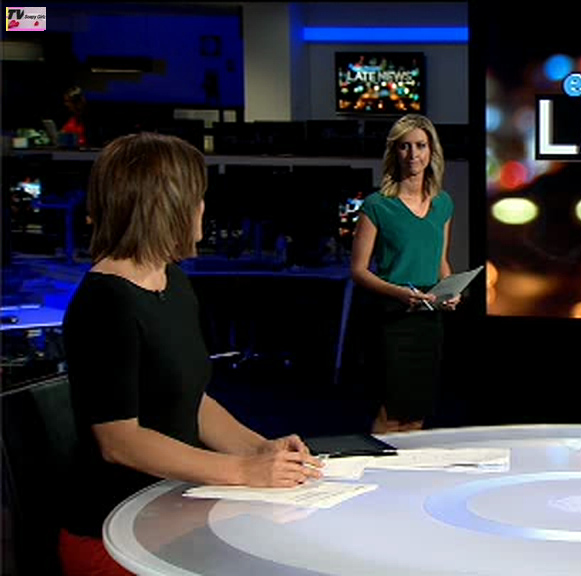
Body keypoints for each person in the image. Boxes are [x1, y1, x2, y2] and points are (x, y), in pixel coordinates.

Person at [59, 132, 323, 576]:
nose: (203, 207)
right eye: (196, 197)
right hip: (112, 531)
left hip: (171, 509)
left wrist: (261, 449)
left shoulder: (175, 283)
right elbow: (120, 440)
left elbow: (190, 400)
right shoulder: (104, 303)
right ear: (165, 206)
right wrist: (243, 471)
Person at [350, 114, 459, 435]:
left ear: (431, 151)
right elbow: (358, 270)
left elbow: (440, 261)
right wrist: (400, 293)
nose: (413, 155)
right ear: (394, 153)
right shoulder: (377, 206)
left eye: (420, 146)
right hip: (392, 318)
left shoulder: (443, 204)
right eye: (405, 146)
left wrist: (450, 290)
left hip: (428, 320)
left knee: (417, 415)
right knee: (391, 415)